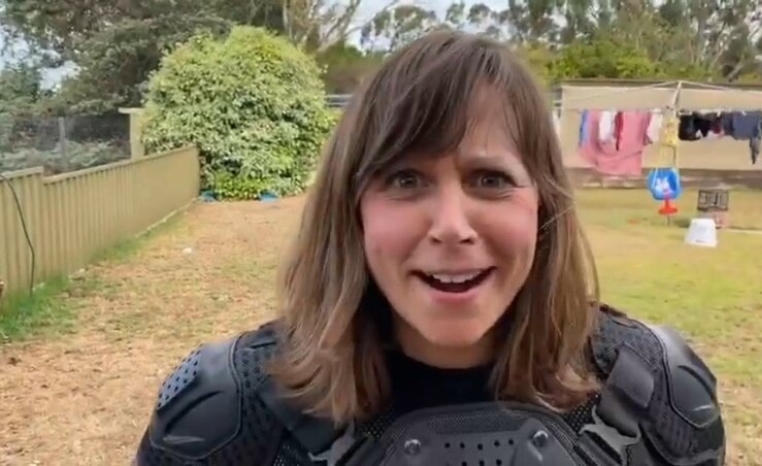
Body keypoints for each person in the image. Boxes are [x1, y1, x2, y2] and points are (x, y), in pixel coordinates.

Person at [134, 31, 725, 466]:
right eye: (405, 180)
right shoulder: (227, 417)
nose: (450, 226)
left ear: (543, 205)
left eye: (489, 179)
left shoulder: (663, 398)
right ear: (352, 209)